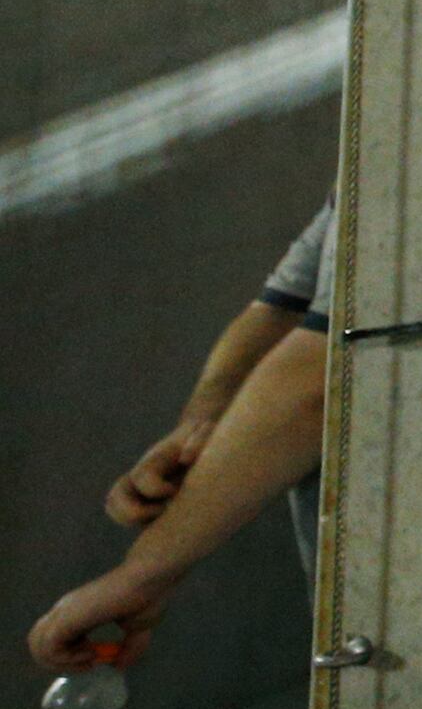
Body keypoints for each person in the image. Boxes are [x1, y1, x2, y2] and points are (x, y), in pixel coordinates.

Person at [29, 207, 335, 674]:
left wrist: (146, 571)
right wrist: (200, 434)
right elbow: (280, 311)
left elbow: (330, 368)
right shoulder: (362, 164)